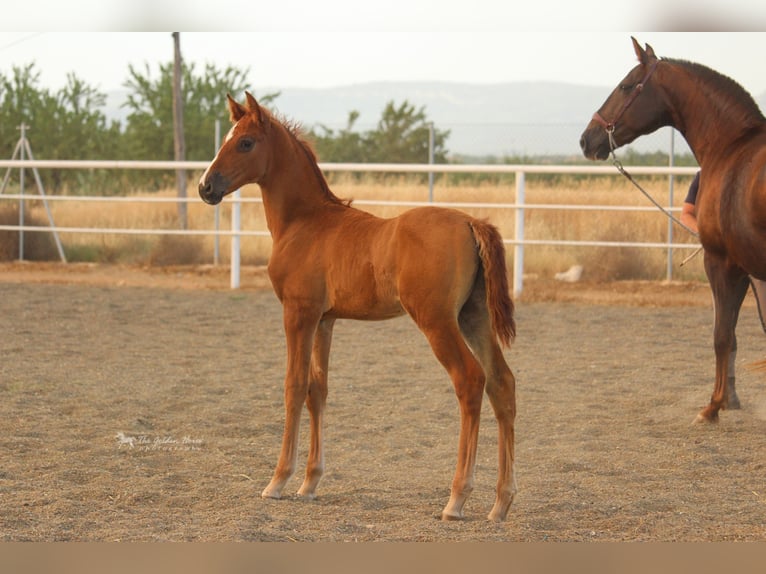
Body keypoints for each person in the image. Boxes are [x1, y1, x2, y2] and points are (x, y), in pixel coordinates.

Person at [682, 171, 766, 332]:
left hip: (756, 255)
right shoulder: (705, 176)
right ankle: (727, 357)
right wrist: (708, 235)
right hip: (725, 258)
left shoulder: (756, 173)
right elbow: (686, 214)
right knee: (724, 326)